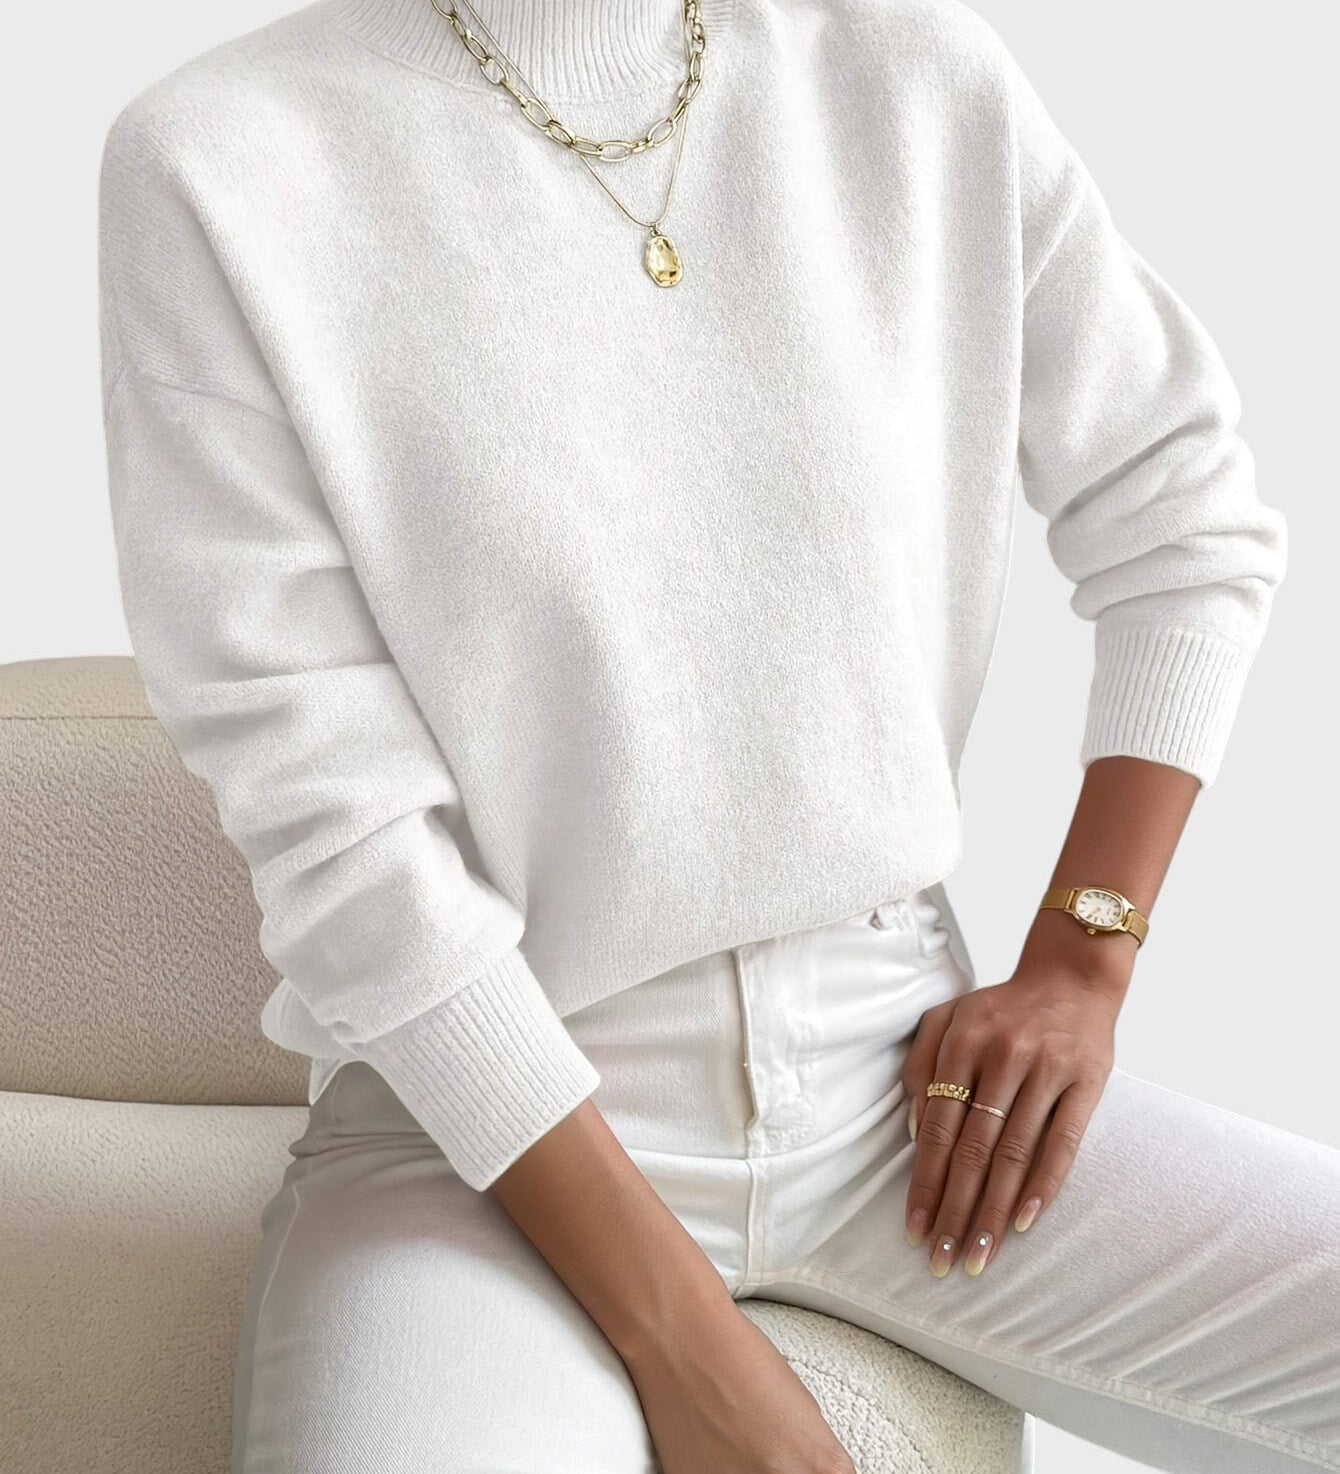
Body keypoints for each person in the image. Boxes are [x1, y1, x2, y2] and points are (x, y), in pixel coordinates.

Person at [98, 0, 1339, 1470]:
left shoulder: (906, 73)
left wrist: (1086, 952)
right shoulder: (224, 159)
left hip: (907, 1093)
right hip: (481, 1149)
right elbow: (343, 840)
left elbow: (1183, 510)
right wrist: (686, 1342)